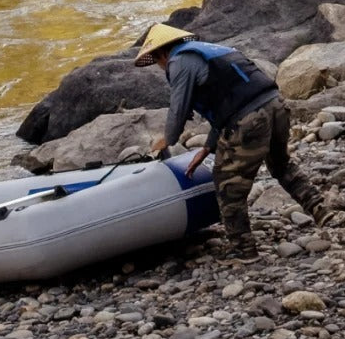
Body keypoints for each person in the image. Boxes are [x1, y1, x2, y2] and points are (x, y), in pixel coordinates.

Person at [135, 22, 323, 260]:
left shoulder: (178, 62)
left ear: (161, 53)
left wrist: (167, 139)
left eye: (157, 61)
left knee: (228, 185)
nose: (160, 67)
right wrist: (207, 148)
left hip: (249, 119)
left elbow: (178, 110)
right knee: (281, 165)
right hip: (276, 107)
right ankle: (323, 210)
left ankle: (243, 250)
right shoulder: (212, 51)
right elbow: (227, 104)